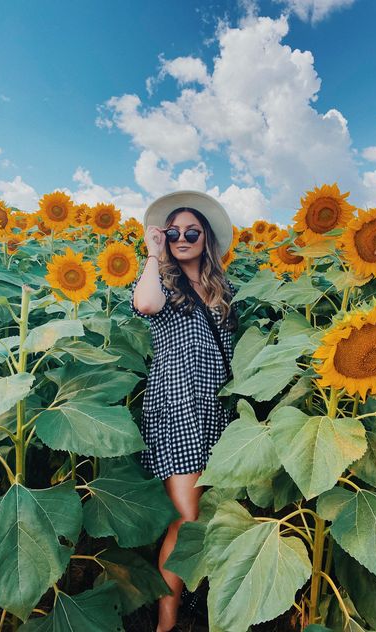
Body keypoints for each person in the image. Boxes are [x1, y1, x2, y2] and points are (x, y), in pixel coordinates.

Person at [130, 190, 238, 632]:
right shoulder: (164, 283)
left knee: (209, 513)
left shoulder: (224, 291)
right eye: (173, 232)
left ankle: (193, 600)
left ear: (206, 238)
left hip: (216, 411)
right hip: (176, 407)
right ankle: (166, 621)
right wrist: (153, 254)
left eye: (191, 231)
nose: (181, 238)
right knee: (187, 517)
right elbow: (145, 305)